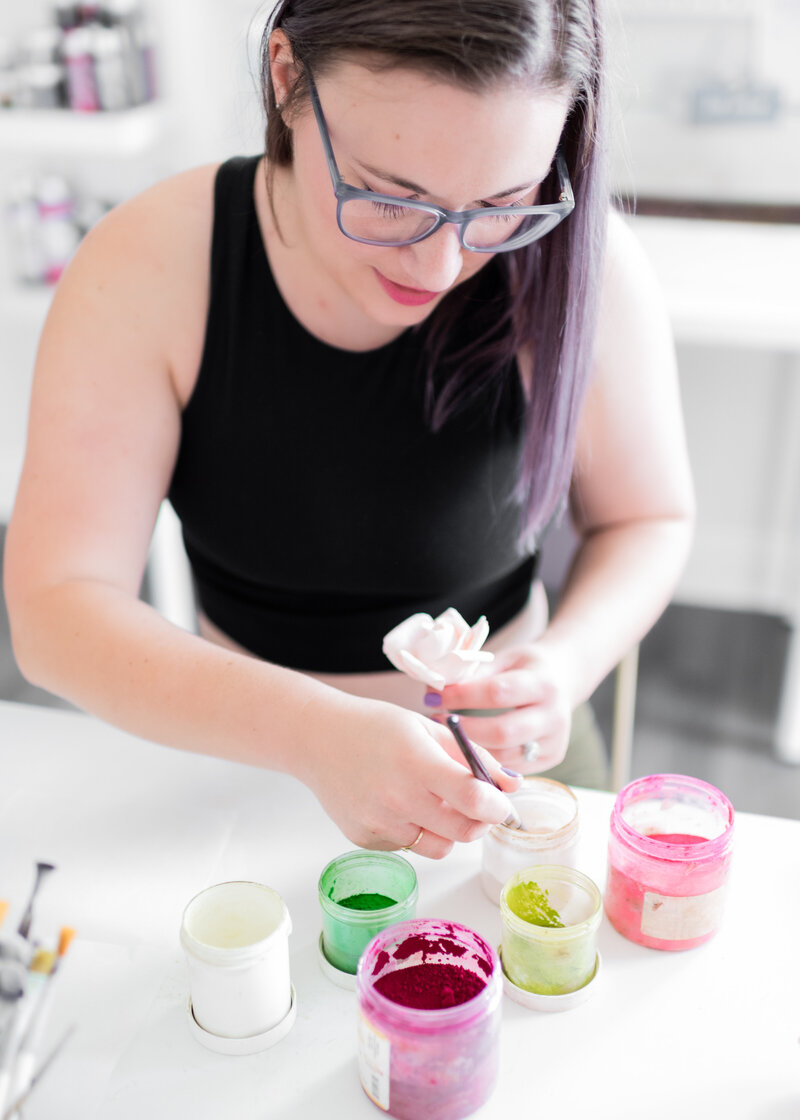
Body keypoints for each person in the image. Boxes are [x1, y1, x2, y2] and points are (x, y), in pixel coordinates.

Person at [4, 0, 694, 861]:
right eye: (391, 198)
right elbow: (54, 610)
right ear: (287, 75)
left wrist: (565, 665)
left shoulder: (580, 266)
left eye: (500, 204)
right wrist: (315, 736)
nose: (441, 265)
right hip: (250, 772)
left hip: (505, 781)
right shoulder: (150, 266)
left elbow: (649, 519)